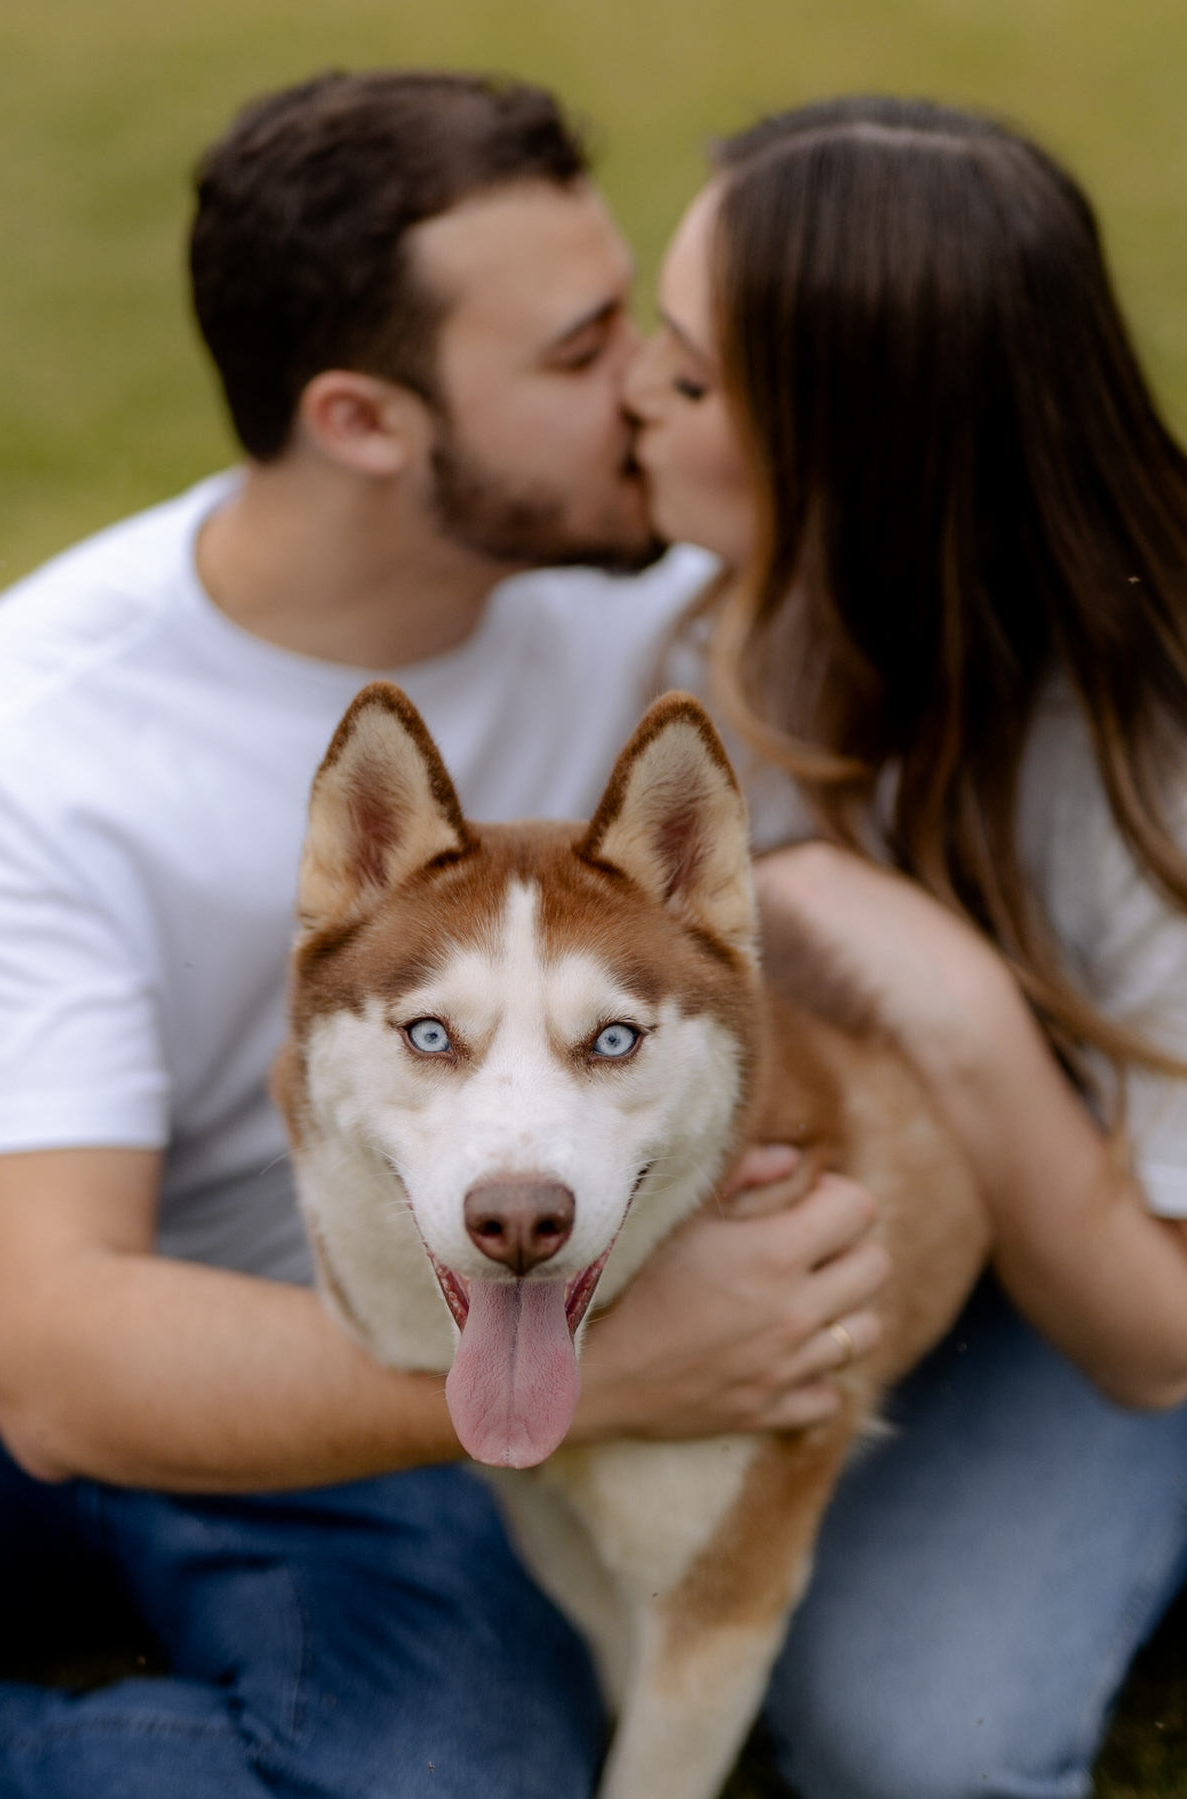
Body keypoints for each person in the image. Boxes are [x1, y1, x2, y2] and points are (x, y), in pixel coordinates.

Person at [0, 72, 888, 1798]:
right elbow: (56, 1361)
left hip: (408, 1370)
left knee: (454, 1775)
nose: (648, 387)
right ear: (367, 421)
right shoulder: (43, 751)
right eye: (575, 355)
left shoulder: (641, 603)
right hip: (121, 1360)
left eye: (632, 322)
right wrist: (617, 1367)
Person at [625, 94, 1187, 1799]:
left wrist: (944, 999)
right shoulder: (716, 610)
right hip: (910, 1218)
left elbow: (1151, 1339)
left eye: (695, 379)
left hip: (1122, 1291)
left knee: (910, 1747)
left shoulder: (1140, 766)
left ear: (854, 458)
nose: (636, 398)